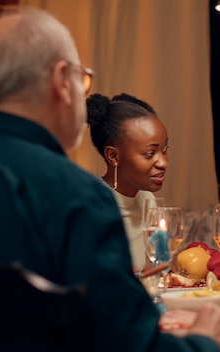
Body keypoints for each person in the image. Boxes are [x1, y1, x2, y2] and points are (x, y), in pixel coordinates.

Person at [0, 7, 220, 351]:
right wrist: (206, 342)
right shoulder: (75, 195)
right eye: (82, 79)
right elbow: (131, 343)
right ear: (60, 80)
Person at [87, 93, 168, 272]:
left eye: (164, 150)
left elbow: (159, 267)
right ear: (113, 156)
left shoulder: (147, 199)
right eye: (150, 153)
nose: (163, 162)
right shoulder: (92, 207)